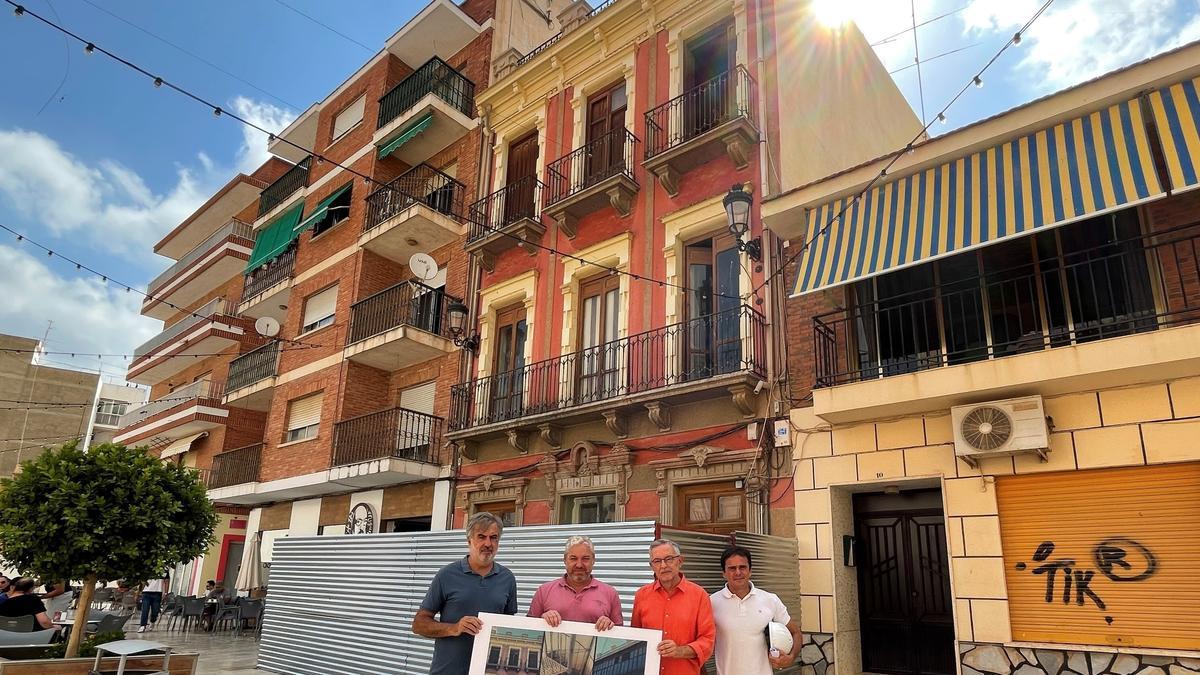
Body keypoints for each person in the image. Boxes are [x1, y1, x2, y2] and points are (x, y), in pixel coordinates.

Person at [413, 512, 518, 675]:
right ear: (469, 540)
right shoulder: (447, 575)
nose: (488, 543)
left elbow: (508, 626)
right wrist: (454, 628)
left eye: (494, 537)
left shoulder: (507, 578)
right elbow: (418, 624)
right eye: (481, 537)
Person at [710, 546, 802, 674]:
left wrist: (791, 657)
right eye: (732, 568)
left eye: (742, 567)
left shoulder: (770, 600)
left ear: (750, 571)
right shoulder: (711, 603)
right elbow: (699, 642)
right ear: (724, 573)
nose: (738, 572)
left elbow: (796, 632)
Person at [631, 539, 715, 675]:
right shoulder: (642, 595)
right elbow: (635, 638)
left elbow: (707, 641)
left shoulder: (699, 595)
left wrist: (679, 651)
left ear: (680, 561)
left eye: (669, 559)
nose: (663, 565)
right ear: (652, 566)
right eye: (657, 561)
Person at [528, 535, 623, 631]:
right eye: (573, 558)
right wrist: (541, 620)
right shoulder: (544, 591)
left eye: (585, 558)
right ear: (565, 560)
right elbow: (527, 628)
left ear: (593, 560)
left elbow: (621, 634)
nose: (579, 565)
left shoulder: (610, 594)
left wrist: (611, 625)